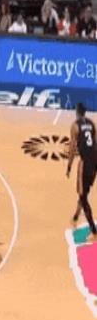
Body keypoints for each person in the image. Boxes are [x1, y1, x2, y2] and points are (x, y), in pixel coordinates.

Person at [67, 103, 97, 242]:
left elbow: (72, 149)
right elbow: (94, 143)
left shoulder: (75, 126)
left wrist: (69, 166)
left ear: (77, 112)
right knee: (84, 191)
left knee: (83, 197)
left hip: (86, 163)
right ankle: (75, 216)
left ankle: (94, 231)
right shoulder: (92, 123)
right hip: (95, 160)